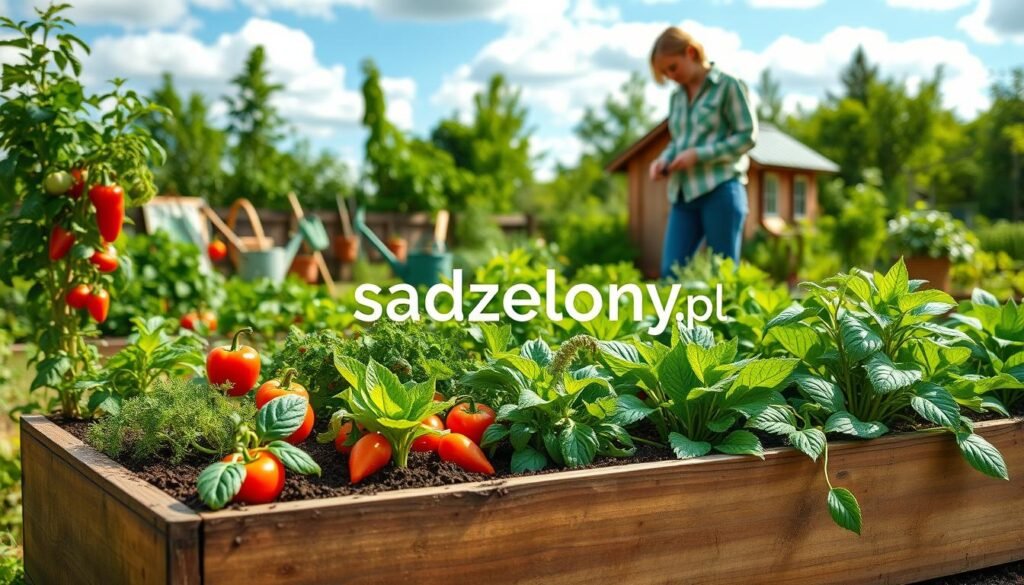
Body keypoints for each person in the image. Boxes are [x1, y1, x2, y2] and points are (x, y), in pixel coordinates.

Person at [648, 26, 758, 279]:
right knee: (671, 273)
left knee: (723, 274)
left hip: (720, 188)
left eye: (673, 67)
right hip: (684, 194)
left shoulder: (727, 85)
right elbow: (679, 141)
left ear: (690, 52)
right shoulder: (677, 98)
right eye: (665, 73)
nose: (671, 76)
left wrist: (700, 155)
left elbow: (747, 135)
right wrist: (663, 160)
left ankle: (726, 307)